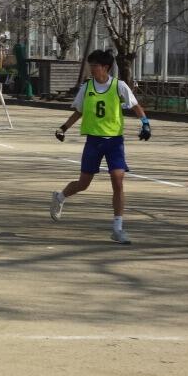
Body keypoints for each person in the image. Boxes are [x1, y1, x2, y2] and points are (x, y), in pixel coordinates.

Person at [50, 49, 151, 245]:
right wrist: (63, 128)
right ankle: (60, 197)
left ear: (105, 67)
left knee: (118, 181)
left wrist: (145, 124)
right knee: (83, 184)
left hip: (114, 142)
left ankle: (117, 229)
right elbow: (79, 111)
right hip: (94, 142)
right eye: (91, 66)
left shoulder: (119, 86)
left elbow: (135, 106)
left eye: (94, 66)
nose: (92, 69)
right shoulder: (87, 87)